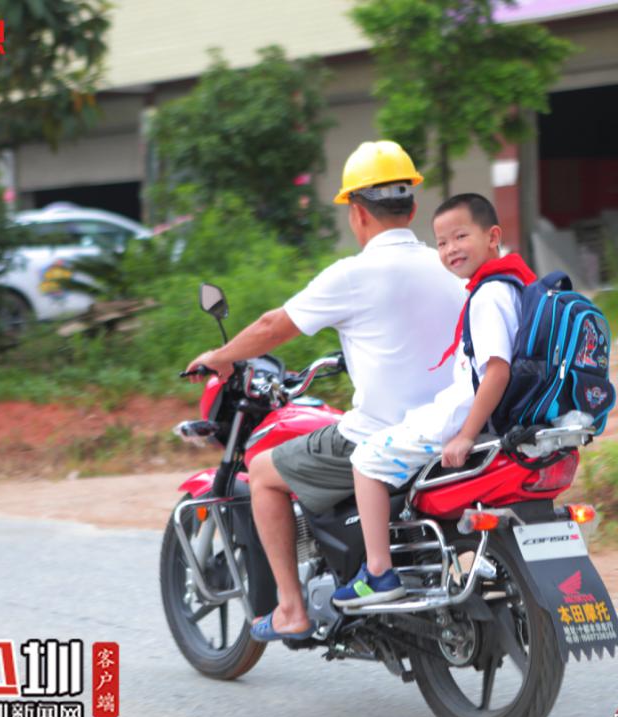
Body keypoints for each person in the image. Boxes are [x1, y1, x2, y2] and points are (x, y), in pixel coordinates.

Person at [185, 140, 465, 641]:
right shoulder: (448, 266)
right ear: (412, 208)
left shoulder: (353, 275)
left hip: (381, 435)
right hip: (456, 427)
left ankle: (291, 609)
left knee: (263, 471)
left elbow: (273, 326)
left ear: (358, 213)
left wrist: (220, 357)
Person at [332, 193, 536, 607]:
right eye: (441, 242)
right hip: (476, 414)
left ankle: (378, 572)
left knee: (366, 459)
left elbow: (496, 372)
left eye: (460, 237)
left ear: (492, 236)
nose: (450, 249)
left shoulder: (488, 296)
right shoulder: (514, 285)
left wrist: (466, 435)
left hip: (458, 419)